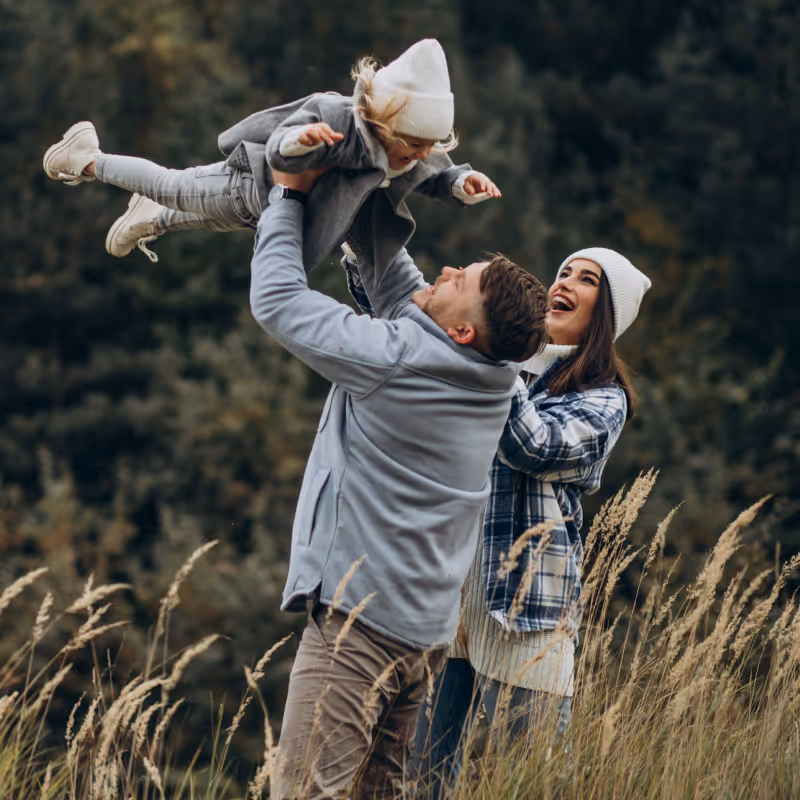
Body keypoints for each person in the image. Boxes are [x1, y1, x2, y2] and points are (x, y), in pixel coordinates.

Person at [248, 155, 547, 798]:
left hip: (358, 631)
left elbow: (276, 300)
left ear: (462, 329)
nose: (444, 269)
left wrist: (289, 193)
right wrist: (383, 166)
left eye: (458, 278)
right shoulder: (491, 379)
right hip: (422, 641)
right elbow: (393, 274)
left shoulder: (400, 359)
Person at [411, 247, 652, 797]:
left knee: (533, 781)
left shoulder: (602, 397)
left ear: (607, 314)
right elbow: (423, 333)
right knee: (418, 779)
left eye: (587, 279)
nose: (564, 281)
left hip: (526, 613)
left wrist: (503, 352)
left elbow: (533, 447)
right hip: (447, 601)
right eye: (564, 271)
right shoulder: (497, 363)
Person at [42, 39, 499, 266]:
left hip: (273, 214)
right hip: (250, 184)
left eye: (430, 146)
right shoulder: (338, 118)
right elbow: (284, 141)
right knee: (170, 184)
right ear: (384, 122)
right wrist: (296, 144)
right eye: (415, 144)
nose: (421, 155)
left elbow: (435, 171)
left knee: (202, 218)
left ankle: (151, 217)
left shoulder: (412, 154)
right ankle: (88, 158)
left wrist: (460, 183)